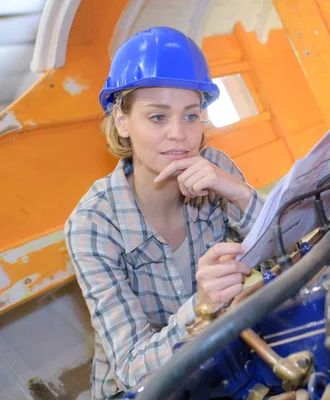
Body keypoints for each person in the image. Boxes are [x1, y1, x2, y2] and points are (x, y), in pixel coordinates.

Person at [65, 26, 264, 399]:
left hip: (221, 355)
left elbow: (286, 244)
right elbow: (129, 368)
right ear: (121, 121)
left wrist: (239, 193)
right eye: (158, 117)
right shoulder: (92, 226)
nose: (179, 134)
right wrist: (201, 307)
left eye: (191, 116)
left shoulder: (216, 166)